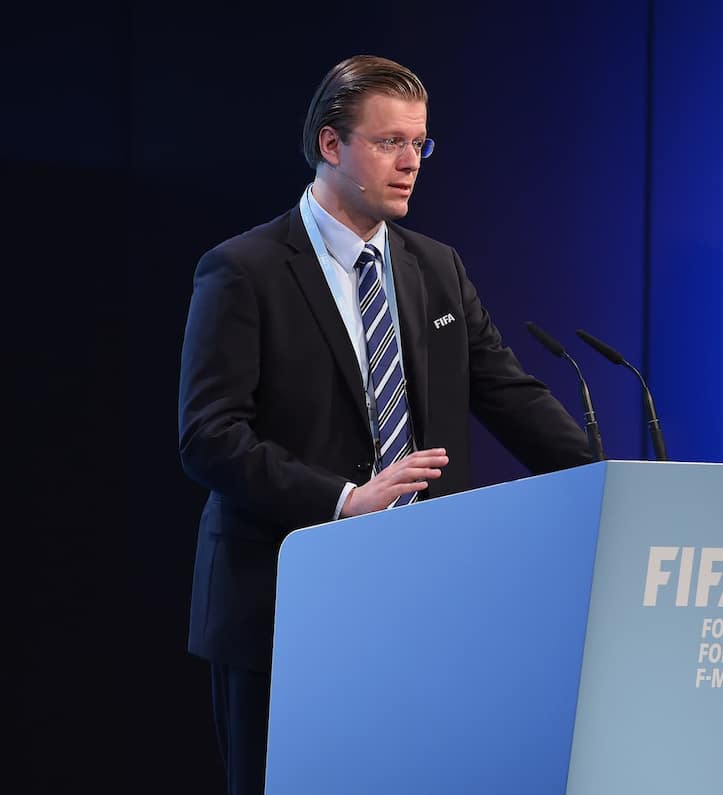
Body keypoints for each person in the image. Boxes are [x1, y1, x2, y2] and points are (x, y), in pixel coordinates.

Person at [177, 54, 592, 794]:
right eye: (388, 142)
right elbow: (210, 435)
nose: (410, 163)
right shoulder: (243, 269)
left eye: (420, 144)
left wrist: (614, 480)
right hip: (283, 602)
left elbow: (507, 393)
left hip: (420, 601)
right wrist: (342, 500)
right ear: (330, 145)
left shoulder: (436, 268)